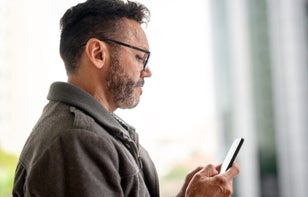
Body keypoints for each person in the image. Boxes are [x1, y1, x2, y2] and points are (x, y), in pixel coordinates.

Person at [12, 0, 240, 196]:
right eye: (140, 57)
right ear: (98, 54)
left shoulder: (89, 132)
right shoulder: (78, 140)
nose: (147, 71)